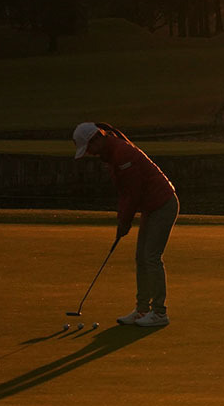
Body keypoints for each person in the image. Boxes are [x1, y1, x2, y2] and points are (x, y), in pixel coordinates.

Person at [73, 121, 178, 327]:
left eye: (90, 149)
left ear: (97, 139)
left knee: (151, 257)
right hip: (152, 206)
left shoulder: (122, 154)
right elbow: (125, 194)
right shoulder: (112, 155)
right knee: (141, 257)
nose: (91, 154)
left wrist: (125, 222)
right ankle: (142, 310)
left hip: (163, 204)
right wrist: (121, 219)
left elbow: (133, 193)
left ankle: (159, 313)